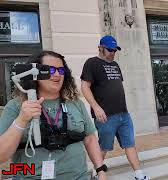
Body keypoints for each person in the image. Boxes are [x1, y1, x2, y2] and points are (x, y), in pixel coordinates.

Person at [0, 51, 107, 180]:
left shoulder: (76, 103)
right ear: (35, 72)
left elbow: (90, 138)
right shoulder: (16, 106)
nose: (57, 74)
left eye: (61, 70)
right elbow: (2, 155)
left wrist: (100, 170)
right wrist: (22, 120)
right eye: (50, 69)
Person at [80, 35, 149, 180]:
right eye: (109, 50)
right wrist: (96, 108)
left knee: (130, 144)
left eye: (115, 50)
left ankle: (139, 175)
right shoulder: (91, 63)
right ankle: (96, 173)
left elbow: (117, 86)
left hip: (124, 114)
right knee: (104, 147)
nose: (112, 53)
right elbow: (85, 87)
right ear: (100, 48)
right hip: (106, 116)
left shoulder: (115, 65)